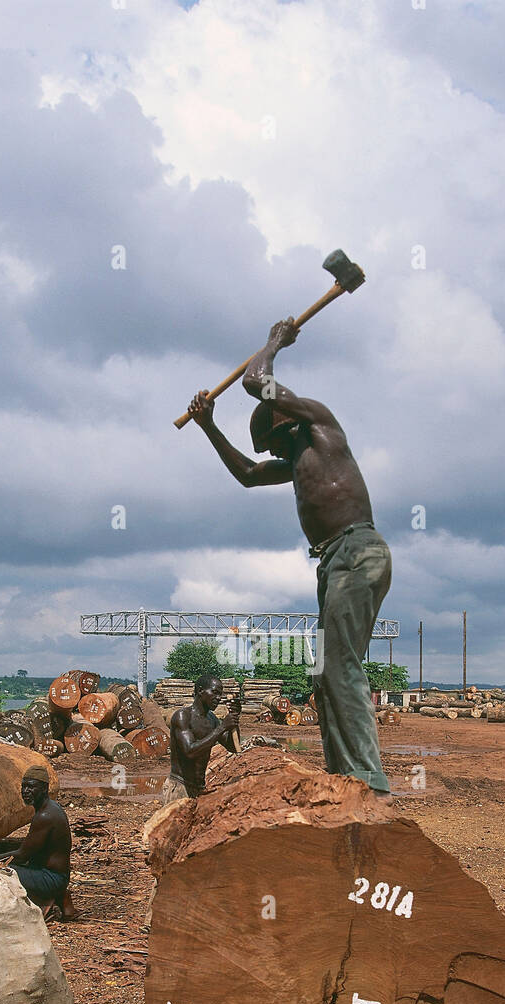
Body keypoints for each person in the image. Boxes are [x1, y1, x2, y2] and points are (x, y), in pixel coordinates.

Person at [187, 318, 392, 794]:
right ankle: (346, 776)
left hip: (358, 550)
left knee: (340, 664)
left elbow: (255, 380)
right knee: (323, 671)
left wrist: (275, 342)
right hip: (333, 561)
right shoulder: (296, 457)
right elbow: (249, 474)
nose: (275, 453)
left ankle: (368, 779)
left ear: (284, 420)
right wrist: (208, 425)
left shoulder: (319, 425)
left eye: (275, 442)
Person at [0, 764, 75, 919]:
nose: (25, 791)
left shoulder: (45, 816)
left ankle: (47, 899)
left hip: (52, 879)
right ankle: (59, 897)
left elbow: (21, 855)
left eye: (31, 787)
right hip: (55, 876)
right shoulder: (50, 808)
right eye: (23, 787)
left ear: (44, 788)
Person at [163, 674, 240, 803]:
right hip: (180, 787)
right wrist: (222, 728)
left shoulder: (212, 720)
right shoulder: (182, 716)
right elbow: (190, 751)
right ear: (200, 691)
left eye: (220, 694)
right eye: (214, 693)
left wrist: (235, 720)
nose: (218, 698)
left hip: (199, 789)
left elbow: (232, 747)